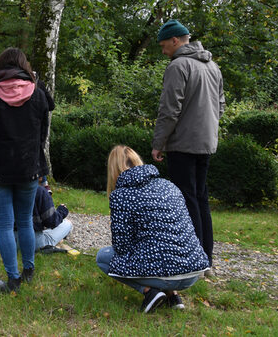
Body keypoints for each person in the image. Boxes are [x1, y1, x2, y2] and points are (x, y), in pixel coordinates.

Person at [98, 145, 209, 313]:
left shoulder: (121, 195)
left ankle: (150, 293)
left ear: (113, 170)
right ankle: (174, 297)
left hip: (164, 275)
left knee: (103, 257)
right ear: (138, 161)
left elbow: (122, 247)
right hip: (193, 272)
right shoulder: (169, 186)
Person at [0, 47, 49, 293]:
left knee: (5, 225)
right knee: (25, 220)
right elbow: (42, 135)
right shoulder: (38, 95)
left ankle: (13, 279)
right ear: (24, 67)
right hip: (29, 168)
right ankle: (28, 270)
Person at [151, 19, 224, 269]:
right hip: (207, 143)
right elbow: (221, 105)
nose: (163, 51)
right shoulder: (213, 66)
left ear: (175, 40)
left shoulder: (178, 66)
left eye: (163, 46)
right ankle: (207, 257)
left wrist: (158, 143)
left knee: (186, 200)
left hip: (182, 144)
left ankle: (192, 260)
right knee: (201, 198)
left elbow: (169, 110)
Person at [33, 185, 72, 251]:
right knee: (67, 223)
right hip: (33, 242)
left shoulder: (10, 187)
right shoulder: (39, 190)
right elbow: (51, 222)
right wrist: (62, 211)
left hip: (10, 240)